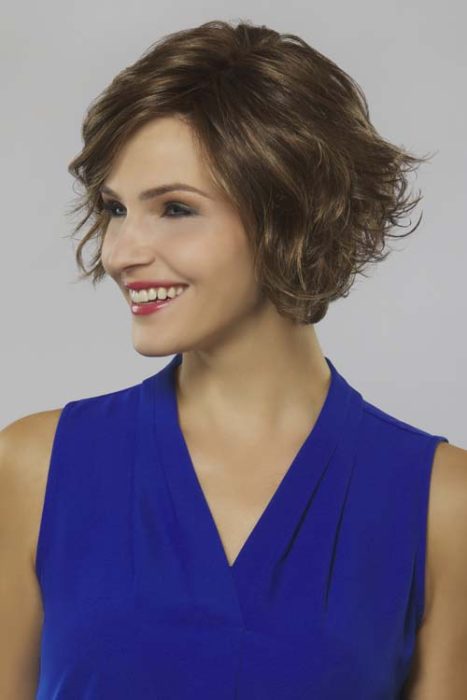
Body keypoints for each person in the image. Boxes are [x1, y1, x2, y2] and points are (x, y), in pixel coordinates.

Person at [1, 18, 466, 700]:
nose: (120, 252)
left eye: (175, 208)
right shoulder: (36, 470)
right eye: (115, 208)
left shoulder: (441, 503)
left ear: (290, 215)